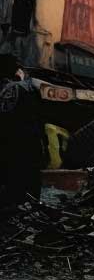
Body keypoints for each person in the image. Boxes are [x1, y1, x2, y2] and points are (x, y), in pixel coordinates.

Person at [0, 54, 44, 208]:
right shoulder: (28, 86)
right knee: (29, 180)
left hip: (15, 141)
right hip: (30, 139)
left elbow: (6, 115)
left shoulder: (11, 89)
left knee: (15, 178)